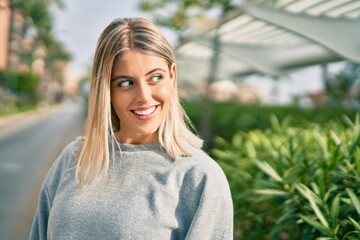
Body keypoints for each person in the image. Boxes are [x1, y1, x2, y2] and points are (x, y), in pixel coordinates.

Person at [29, 17, 233, 240]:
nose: (144, 97)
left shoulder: (198, 176)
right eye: (125, 83)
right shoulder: (74, 158)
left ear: (172, 77)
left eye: (155, 78)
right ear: (106, 89)